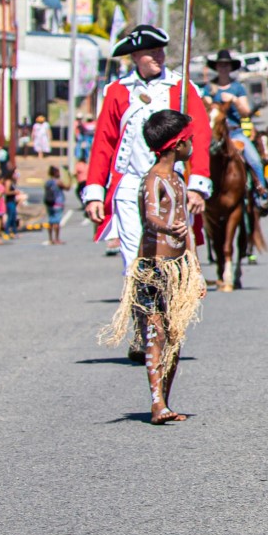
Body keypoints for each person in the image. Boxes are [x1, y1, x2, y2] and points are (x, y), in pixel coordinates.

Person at [82, 25, 212, 305]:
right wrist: (94, 191)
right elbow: (104, 142)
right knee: (134, 261)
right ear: (135, 56)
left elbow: (200, 137)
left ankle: (171, 320)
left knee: (174, 255)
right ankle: (144, 324)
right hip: (130, 184)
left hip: (172, 183)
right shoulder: (117, 91)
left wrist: (198, 184)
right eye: (150, 52)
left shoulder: (182, 88)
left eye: (160, 51)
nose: (158, 56)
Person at [99, 109, 207, 425]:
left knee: (175, 334)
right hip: (154, 267)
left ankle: (165, 401)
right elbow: (149, 216)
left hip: (178, 267)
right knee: (156, 330)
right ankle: (156, 402)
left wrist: (195, 269)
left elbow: (186, 227)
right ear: (178, 144)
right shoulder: (153, 179)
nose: (191, 147)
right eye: (188, 141)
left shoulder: (178, 179)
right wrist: (167, 227)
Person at [204, 50, 268, 193]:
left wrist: (234, 100)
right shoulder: (210, 87)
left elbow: (246, 112)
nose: (223, 68)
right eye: (220, 65)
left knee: (255, 161)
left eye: (226, 65)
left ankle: (261, 193)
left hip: (234, 132)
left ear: (231, 67)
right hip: (215, 134)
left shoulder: (238, 87)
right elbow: (206, 109)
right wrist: (213, 103)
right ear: (216, 67)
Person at [43, 165, 66, 245]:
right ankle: (56, 239)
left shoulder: (48, 182)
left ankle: (50, 238)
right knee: (56, 221)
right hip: (57, 203)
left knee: (50, 221)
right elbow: (67, 187)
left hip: (49, 203)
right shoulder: (58, 182)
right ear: (55, 173)